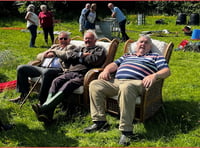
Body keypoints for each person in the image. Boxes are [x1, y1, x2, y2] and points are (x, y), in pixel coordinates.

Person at [83, 35, 171, 146]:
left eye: (146, 43)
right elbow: (114, 64)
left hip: (137, 83)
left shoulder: (156, 56)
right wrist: (106, 70)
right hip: (117, 81)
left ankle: (126, 131)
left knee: (126, 87)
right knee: (95, 84)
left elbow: (166, 71)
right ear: (136, 45)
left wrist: (154, 76)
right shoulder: (127, 55)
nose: (142, 44)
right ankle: (100, 121)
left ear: (150, 46)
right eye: (141, 42)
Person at [31, 30, 107, 124]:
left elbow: (94, 60)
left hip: (84, 74)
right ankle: (48, 115)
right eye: (86, 38)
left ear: (95, 40)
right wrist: (81, 56)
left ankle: (44, 107)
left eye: (90, 38)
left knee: (68, 85)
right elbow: (69, 56)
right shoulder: (80, 48)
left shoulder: (99, 50)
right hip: (70, 72)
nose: (87, 40)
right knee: (56, 81)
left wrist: (78, 58)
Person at [9, 31, 76, 105]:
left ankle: (42, 101)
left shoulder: (71, 47)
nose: (63, 40)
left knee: (47, 72)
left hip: (57, 70)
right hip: (42, 67)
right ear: (58, 40)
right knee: (21, 68)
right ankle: (23, 95)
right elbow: (38, 55)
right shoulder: (54, 46)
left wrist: (54, 52)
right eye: (61, 39)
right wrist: (45, 55)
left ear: (69, 40)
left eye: (65, 38)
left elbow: (67, 55)